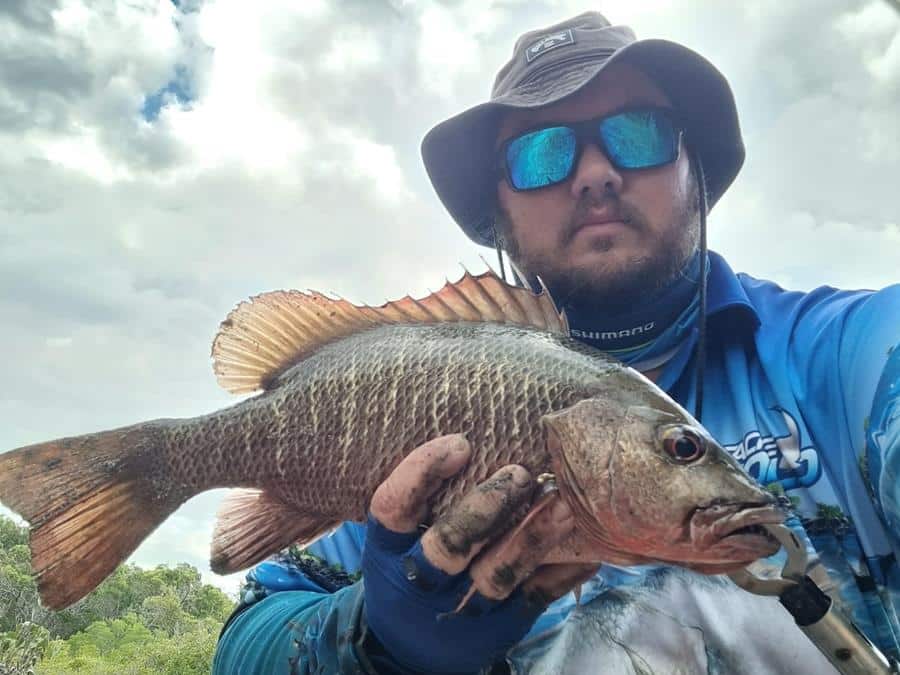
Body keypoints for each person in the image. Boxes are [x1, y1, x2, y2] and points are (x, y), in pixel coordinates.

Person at [212, 12, 900, 674]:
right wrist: (371, 639)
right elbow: (244, 645)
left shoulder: (838, 356)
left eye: (638, 132)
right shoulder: (410, 387)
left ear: (696, 167)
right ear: (498, 211)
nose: (596, 172)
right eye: (543, 153)